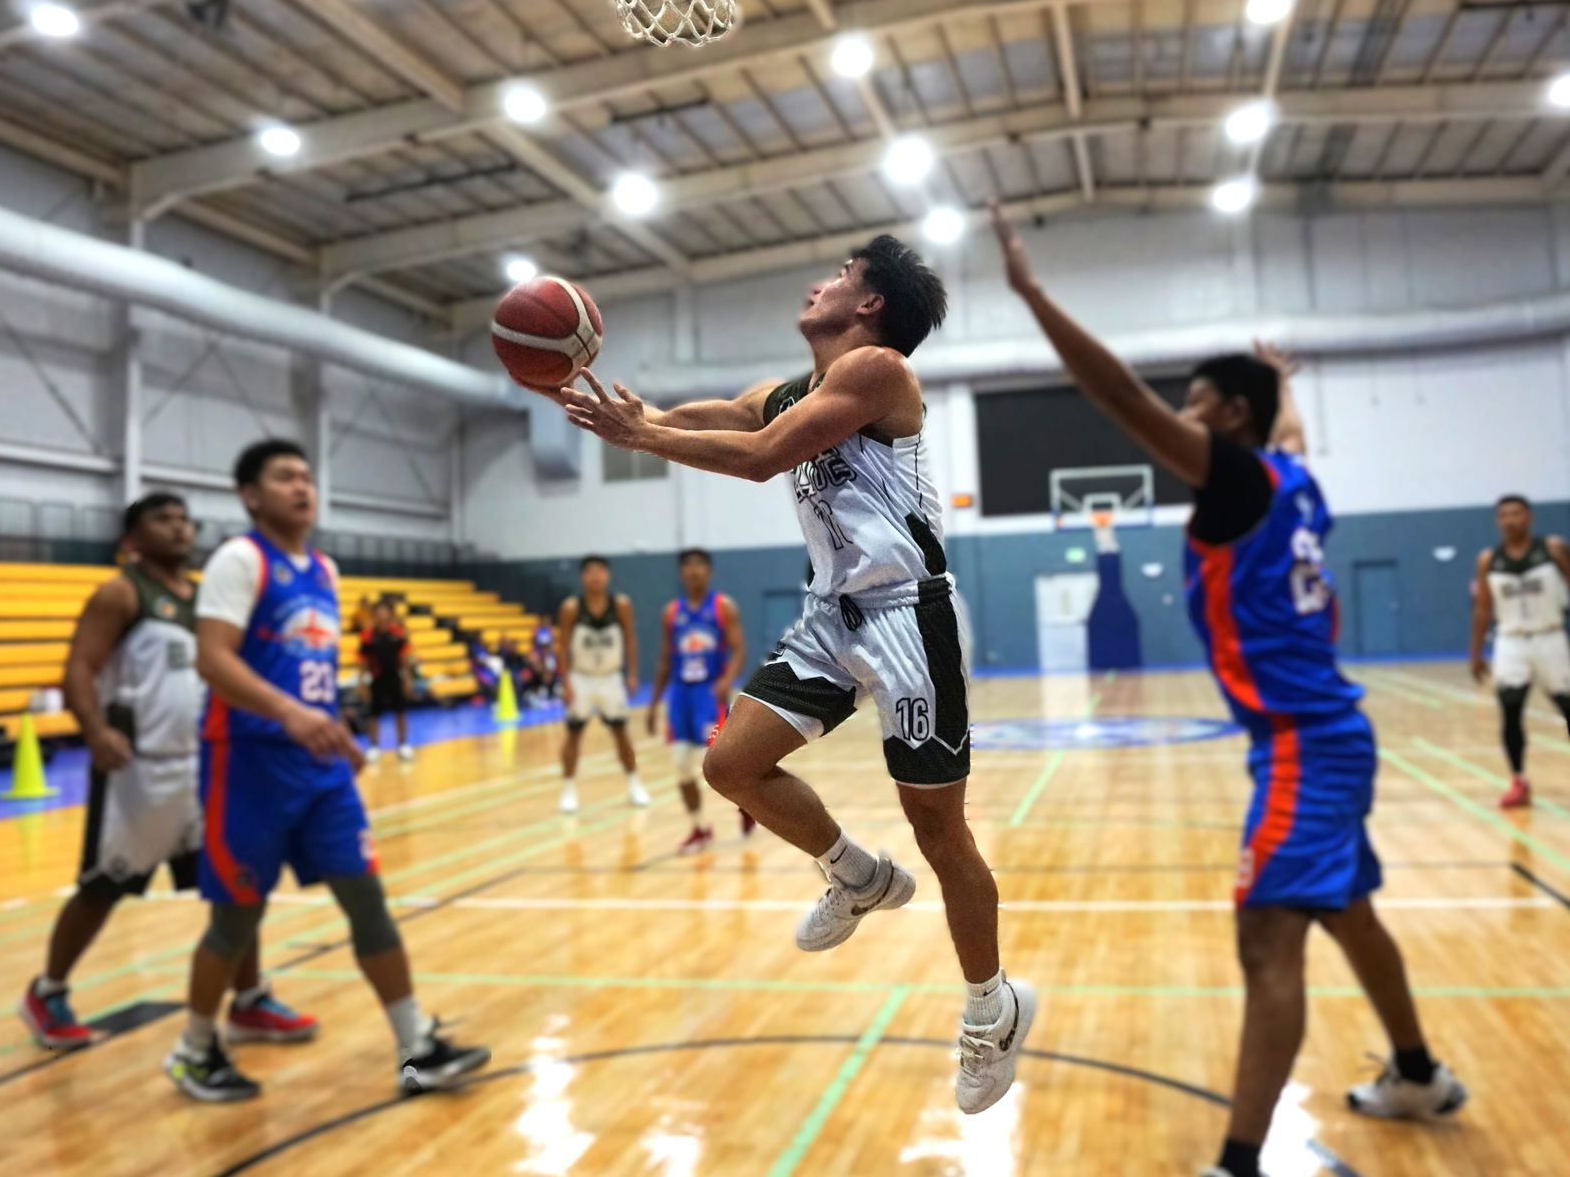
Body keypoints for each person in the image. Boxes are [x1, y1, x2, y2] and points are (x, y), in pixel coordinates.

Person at [988, 202, 1468, 1177]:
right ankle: (1416, 1070)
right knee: (1349, 909)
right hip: (1319, 730)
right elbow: (1286, 429)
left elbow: (1121, 397)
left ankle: (1238, 1162)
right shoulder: (1289, 476)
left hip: (1300, 738)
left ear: (1231, 419)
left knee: (1265, 936)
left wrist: (1033, 295)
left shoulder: (1240, 475)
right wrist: (1282, 381)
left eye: (1199, 403)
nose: (1184, 418)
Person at [559, 234, 1033, 1115]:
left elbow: (762, 455)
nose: (821, 283)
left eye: (841, 276)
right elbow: (735, 419)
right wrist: (640, 413)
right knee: (730, 766)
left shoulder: (879, 372)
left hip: (905, 617)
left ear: (870, 304)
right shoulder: (797, 390)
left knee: (939, 830)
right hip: (831, 616)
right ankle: (856, 875)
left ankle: (991, 1008)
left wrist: (644, 437)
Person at [164, 439, 488, 1102]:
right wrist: (289, 713)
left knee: (365, 897)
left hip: (317, 765)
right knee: (235, 919)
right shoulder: (239, 559)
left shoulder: (324, 570)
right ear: (251, 494)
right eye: (284, 477)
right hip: (247, 763)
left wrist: (335, 724)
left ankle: (415, 1043)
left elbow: (303, 670)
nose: (301, 487)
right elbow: (213, 660)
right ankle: (194, 1049)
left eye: (307, 476)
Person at [19, 494, 314, 1052]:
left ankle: (248, 1001)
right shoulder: (121, 592)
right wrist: (94, 729)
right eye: (164, 519)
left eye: (184, 519)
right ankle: (47, 991)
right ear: (132, 537)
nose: (179, 528)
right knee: (104, 886)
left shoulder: (207, 597)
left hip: (206, 764)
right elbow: (78, 666)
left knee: (237, 882)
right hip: (140, 767)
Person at [1470, 495, 1570, 808]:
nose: (1510, 520)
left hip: (1550, 636)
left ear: (1530, 518)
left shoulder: (1552, 549)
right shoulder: (1488, 559)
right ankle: (1519, 780)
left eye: (1516, 513)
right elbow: (1483, 607)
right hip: (1510, 641)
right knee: (1510, 712)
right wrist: (1475, 653)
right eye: (1503, 515)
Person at [648, 549, 748, 854]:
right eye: (688, 566)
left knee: (721, 762)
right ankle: (699, 828)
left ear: (709, 572)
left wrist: (726, 679)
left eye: (700, 566)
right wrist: (653, 703)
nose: (694, 571)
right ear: (681, 573)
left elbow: (739, 651)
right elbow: (666, 659)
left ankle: (748, 804)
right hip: (680, 697)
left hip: (709, 696)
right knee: (681, 766)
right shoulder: (671, 612)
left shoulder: (722, 607)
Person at [556, 557, 649, 813]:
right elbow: (562, 646)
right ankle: (568, 789)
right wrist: (565, 681)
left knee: (621, 733)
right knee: (574, 733)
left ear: (607, 575)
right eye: (590, 571)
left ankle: (634, 784)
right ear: (582, 577)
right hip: (581, 677)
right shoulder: (572, 607)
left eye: (600, 570)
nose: (595, 576)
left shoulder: (620, 605)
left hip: (610, 677)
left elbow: (630, 639)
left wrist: (631, 674)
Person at [359, 597, 414, 763]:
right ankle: (374, 747)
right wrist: (362, 682)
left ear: (390, 616)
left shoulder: (397, 634)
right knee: (374, 714)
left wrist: (407, 679)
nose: (382, 618)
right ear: (374, 616)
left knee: (400, 711)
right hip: (376, 679)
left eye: (385, 614)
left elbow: (404, 658)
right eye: (379, 614)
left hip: (395, 677)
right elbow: (363, 661)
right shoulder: (367, 636)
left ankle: (403, 745)